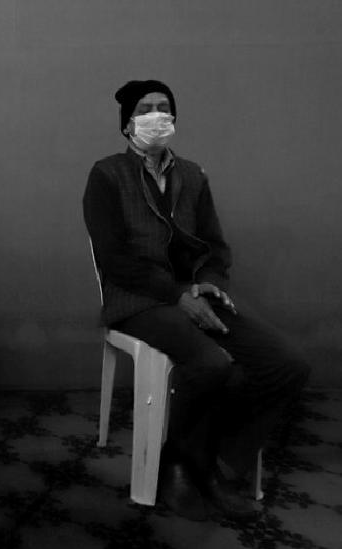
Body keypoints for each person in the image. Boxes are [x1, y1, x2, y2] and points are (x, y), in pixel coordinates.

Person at [83, 80, 310, 521]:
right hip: (137, 301)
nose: (156, 115)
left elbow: (214, 246)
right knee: (212, 364)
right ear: (127, 124)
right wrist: (174, 295)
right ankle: (181, 468)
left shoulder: (191, 175)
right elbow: (113, 258)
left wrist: (206, 281)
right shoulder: (107, 175)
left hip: (192, 294)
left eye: (163, 107)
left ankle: (212, 463)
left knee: (287, 363)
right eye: (145, 108)